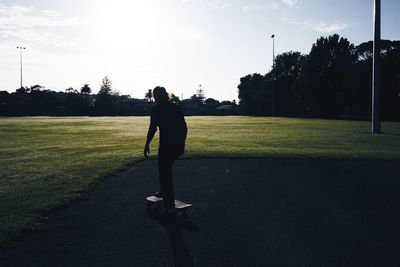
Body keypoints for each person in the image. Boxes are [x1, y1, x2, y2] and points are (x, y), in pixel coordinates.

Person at [144, 86, 187, 215]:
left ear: (156, 96)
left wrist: (146, 144)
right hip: (177, 145)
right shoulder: (175, 107)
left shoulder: (156, 109)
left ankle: (169, 206)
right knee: (165, 169)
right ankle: (163, 192)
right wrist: (182, 143)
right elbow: (184, 127)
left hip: (166, 145)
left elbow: (153, 129)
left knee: (165, 174)